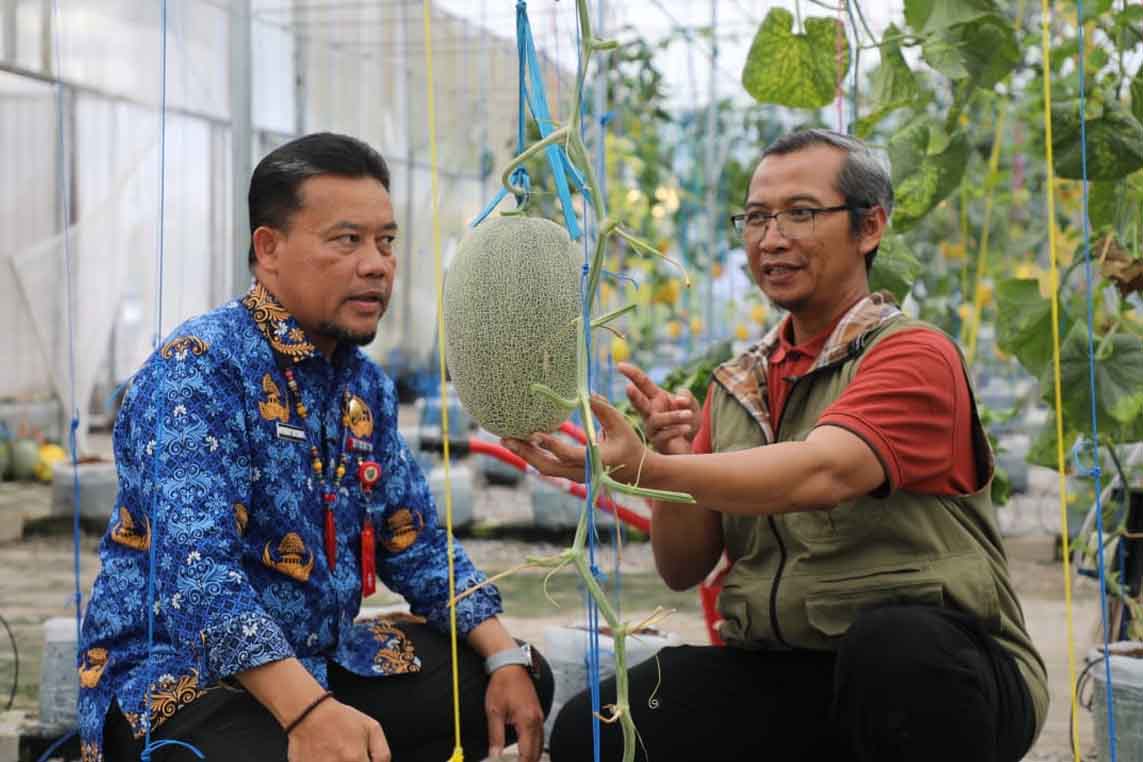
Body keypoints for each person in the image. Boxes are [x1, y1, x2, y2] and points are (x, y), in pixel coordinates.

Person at [506, 128, 1048, 762]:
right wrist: (672, 462)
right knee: (596, 729)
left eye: (801, 213)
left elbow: (824, 471)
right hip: (795, 671)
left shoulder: (912, 354)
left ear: (868, 227)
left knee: (895, 649)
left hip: (949, 676)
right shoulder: (739, 385)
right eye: (756, 218)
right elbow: (683, 568)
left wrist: (642, 465)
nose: (772, 238)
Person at [78, 132, 551, 762]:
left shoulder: (366, 387)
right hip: (179, 682)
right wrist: (308, 712)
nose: (377, 264)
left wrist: (503, 652)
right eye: (347, 240)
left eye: (386, 242)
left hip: (322, 661)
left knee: (514, 678)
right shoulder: (199, 370)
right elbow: (198, 576)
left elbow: (415, 543)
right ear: (268, 250)